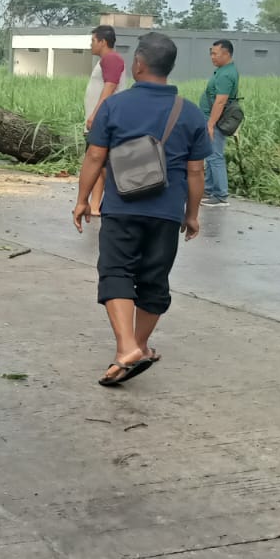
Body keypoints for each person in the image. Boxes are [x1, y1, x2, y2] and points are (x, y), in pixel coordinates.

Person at [73, 32, 210, 388]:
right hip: (166, 212)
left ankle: (126, 349)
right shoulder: (191, 113)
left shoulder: (115, 107)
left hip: (122, 206)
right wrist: (192, 214)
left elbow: (95, 156)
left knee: (117, 271)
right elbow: (197, 172)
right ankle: (141, 345)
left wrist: (83, 198)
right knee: (153, 279)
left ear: (139, 63)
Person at [84, 26, 127, 215]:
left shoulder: (111, 58)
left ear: (103, 41)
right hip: (102, 119)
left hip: (105, 120)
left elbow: (110, 87)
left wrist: (96, 114)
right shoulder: (105, 60)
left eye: (93, 40)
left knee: (102, 165)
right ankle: (94, 206)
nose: (91, 44)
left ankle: (117, 201)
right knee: (100, 166)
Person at [200, 39, 239, 207]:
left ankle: (220, 194)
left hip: (215, 120)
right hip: (211, 119)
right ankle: (209, 189)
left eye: (215, 54)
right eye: (211, 53)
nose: (212, 57)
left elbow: (220, 101)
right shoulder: (222, 70)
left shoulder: (226, 74)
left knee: (215, 156)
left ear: (227, 54)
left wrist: (210, 124)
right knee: (210, 154)